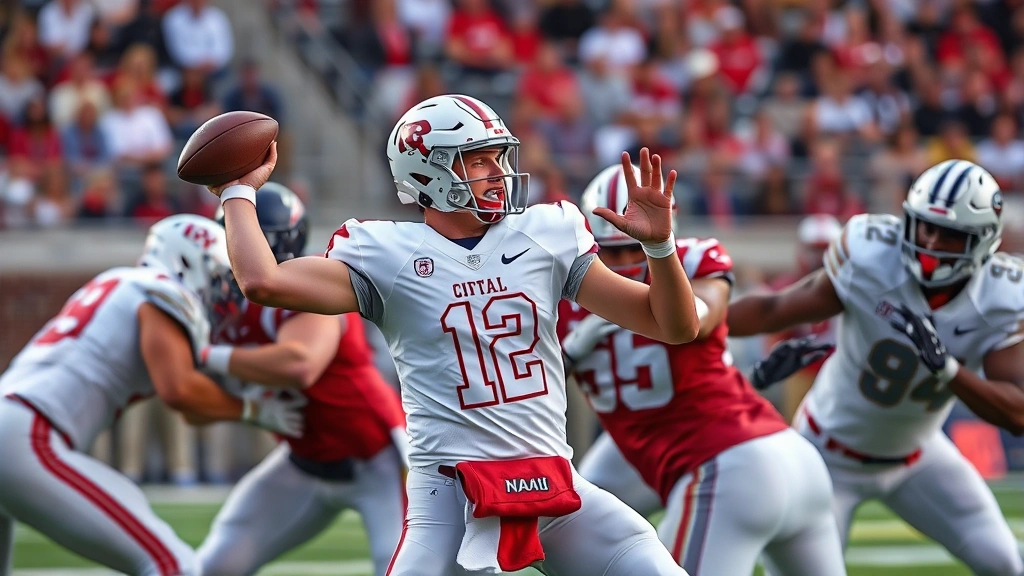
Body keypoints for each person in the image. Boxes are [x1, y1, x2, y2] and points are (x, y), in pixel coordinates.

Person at [210, 94, 700, 575]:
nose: (498, 173)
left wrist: (660, 248)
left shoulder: (544, 235)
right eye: (477, 160)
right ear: (427, 173)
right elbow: (264, 281)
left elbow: (673, 326)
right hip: (451, 498)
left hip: (553, 484)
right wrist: (237, 192)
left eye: (498, 157)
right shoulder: (387, 255)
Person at [728, 159, 1024, 576]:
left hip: (918, 457)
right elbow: (776, 308)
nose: (930, 241)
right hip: (825, 457)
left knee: (1007, 562)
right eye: (924, 226)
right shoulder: (873, 256)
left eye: (950, 235)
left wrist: (950, 373)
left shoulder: (1002, 295)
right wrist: (692, 317)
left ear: (983, 241)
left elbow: (1017, 412)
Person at [561, 164, 847, 576]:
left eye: (634, 247)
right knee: (578, 521)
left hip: (729, 467)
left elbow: (702, 314)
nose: (625, 261)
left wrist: (668, 301)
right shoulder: (567, 296)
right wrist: (570, 350)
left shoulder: (691, 264)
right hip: (770, 459)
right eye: (613, 250)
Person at [0, 214, 304, 575]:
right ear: (190, 261)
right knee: (170, 562)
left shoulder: (117, 281)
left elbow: (188, 401)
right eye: (219, 278)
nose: (222, 293)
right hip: (25, 439)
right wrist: (252, 409)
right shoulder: (162, 292)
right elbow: (180, 391)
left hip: (14, 422)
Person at [196, 183, 407, 576]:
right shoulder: (220, 301)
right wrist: (249, 409)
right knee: (215, 566)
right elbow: (183, 395)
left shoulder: (313, 285)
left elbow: (300, 363)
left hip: (377, 460)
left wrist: (210, 356)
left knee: (401, 570)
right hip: (303, 460)